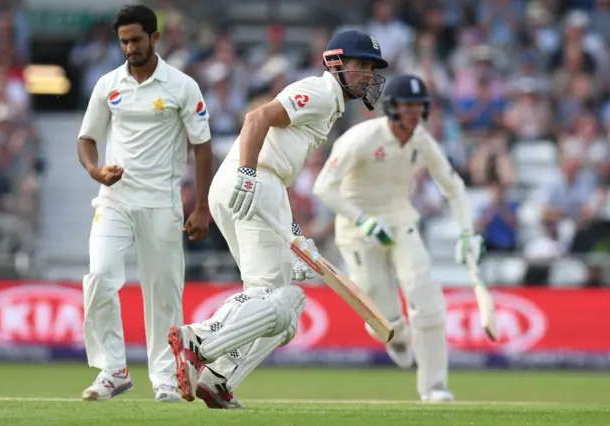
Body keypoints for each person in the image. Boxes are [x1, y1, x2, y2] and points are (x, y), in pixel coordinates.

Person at [167, 30, 389, 409]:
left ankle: (219, 379)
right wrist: (249, 175)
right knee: (280, 296)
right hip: (253, 181)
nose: (368, 74)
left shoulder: (331, 104)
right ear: (336, 64)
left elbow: (280, 160)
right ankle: (199, 340)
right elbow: (257, 118)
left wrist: (294, 233)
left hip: (261, 187)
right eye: (361, 65)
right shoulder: (320, 92)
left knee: (284, 313)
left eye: (372, 68)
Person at [312, 75, 485, 402]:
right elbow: (323, 186)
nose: (413, 114)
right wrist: (362, 220)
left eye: (419, 107)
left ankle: (435, 387)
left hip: (401, 222)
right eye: (407, 106)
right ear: (391, 107)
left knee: (429, 301)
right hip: (358, 229)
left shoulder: (421, 141)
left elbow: (454, 187)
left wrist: (467, 234)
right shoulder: (362, 137)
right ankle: (396, 336)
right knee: (384, 318)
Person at [76, 5, 214, 402]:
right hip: (114, 198)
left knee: (163, 293)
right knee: (100, 275)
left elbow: (202, 150)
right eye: (123, 41)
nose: (129, 48)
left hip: (161, 202)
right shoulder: (108, 84)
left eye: (136, 40)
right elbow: (86, 139)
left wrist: (201, 208)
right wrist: (95, 170)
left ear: (155, 38)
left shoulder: (182, 86)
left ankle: (167, 379)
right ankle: (113, 369)